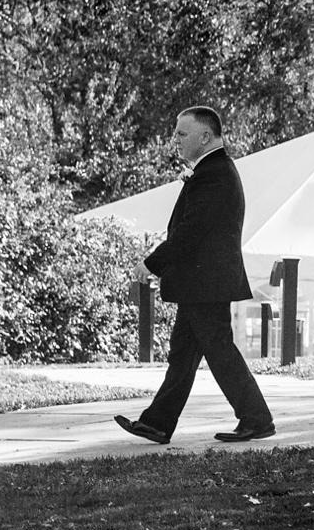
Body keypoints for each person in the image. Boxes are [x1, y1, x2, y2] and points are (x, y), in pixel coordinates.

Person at [115, 106, 276, 445]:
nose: (175, 140)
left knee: (218, 352)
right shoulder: (212, 171)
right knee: (183, 354)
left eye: (182, 134)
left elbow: (190, 232)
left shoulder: (213, 174)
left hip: (206, 285)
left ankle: (256, 419)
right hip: (202, 285)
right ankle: (158, 422)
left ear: (205, 137)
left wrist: (152, 263)